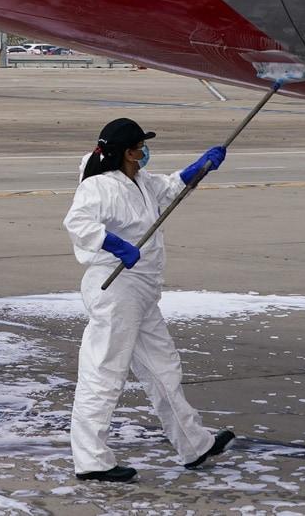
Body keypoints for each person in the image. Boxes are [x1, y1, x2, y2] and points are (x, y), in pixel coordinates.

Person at [62, 117, 235, 482]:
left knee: (163, 368)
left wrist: (199, 169)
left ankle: (194, 443)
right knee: (104, 372)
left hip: (141, 292)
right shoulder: (98, 186)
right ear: (127, 152)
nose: (145, 152)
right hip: (116, 289)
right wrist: (115, 245)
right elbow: (78, 224)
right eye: (141, 147)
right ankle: (92, 460)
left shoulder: (140, 181)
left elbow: (170, 189)